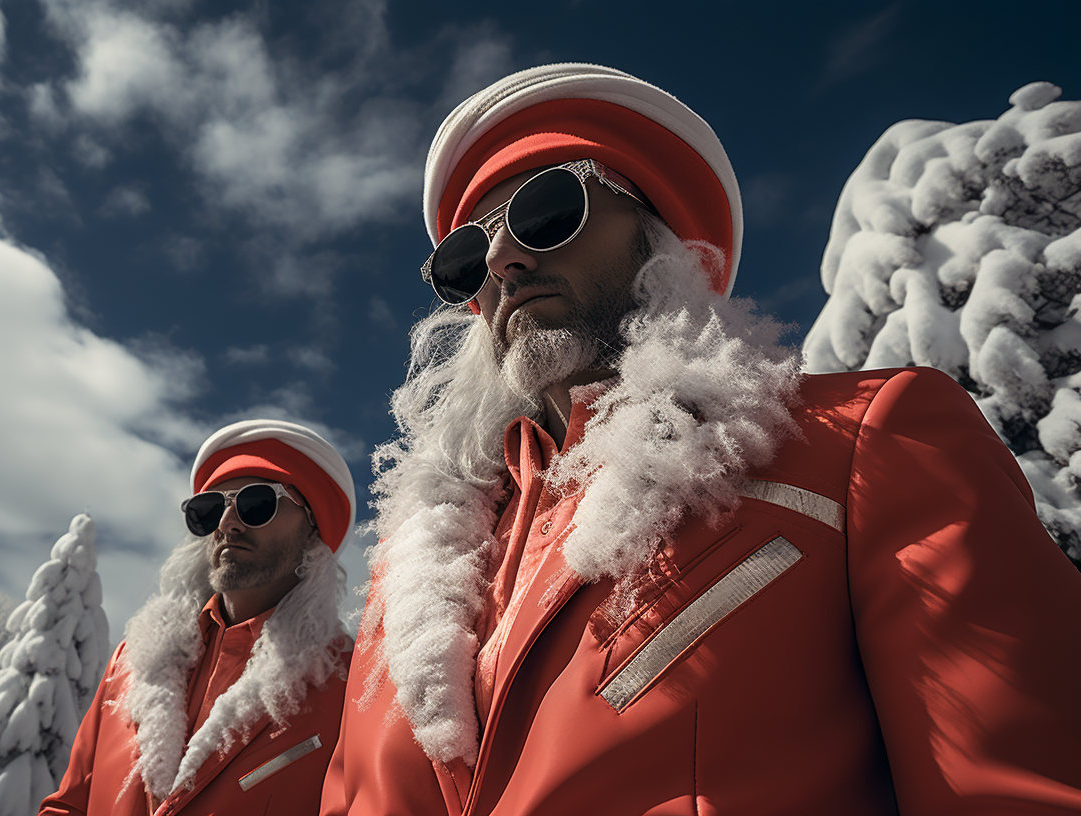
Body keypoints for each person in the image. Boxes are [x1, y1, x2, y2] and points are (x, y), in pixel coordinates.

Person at [321, 63, 1081, 816]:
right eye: (464, 259)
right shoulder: (412, 576)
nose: (500, 262)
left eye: (546, 212)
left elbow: (1015, 784)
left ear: (662, 240)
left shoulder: (862, 440)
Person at [41, 419, 355, 816]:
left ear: (313, 530)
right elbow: (70, 805)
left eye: (256, 504)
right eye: (209, 510)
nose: (226, 524)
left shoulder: (347, 687)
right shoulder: (132, 662)